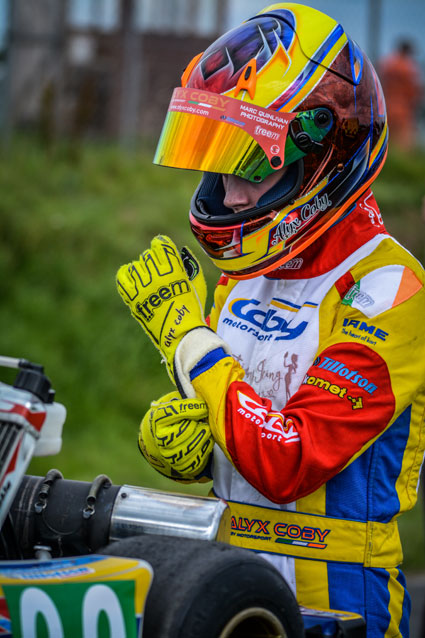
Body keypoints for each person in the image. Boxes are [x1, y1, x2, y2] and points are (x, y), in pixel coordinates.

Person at [116, 4, 425, 637]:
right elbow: (234, 401)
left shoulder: (390, 288)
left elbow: (288, 459)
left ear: (321, 156)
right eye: (219, 165)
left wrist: (186, 341)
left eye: (250, 167)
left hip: (342, 600)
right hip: (227, 579)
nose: (229, 194)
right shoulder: (244, 274)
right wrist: (195, 446)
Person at [378, 40, 422, 151]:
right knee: (403, 149)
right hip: (403, 111)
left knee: (386, 145)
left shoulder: (387, 65)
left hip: (387, 108)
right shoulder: (409, 68)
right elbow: (413, 92)